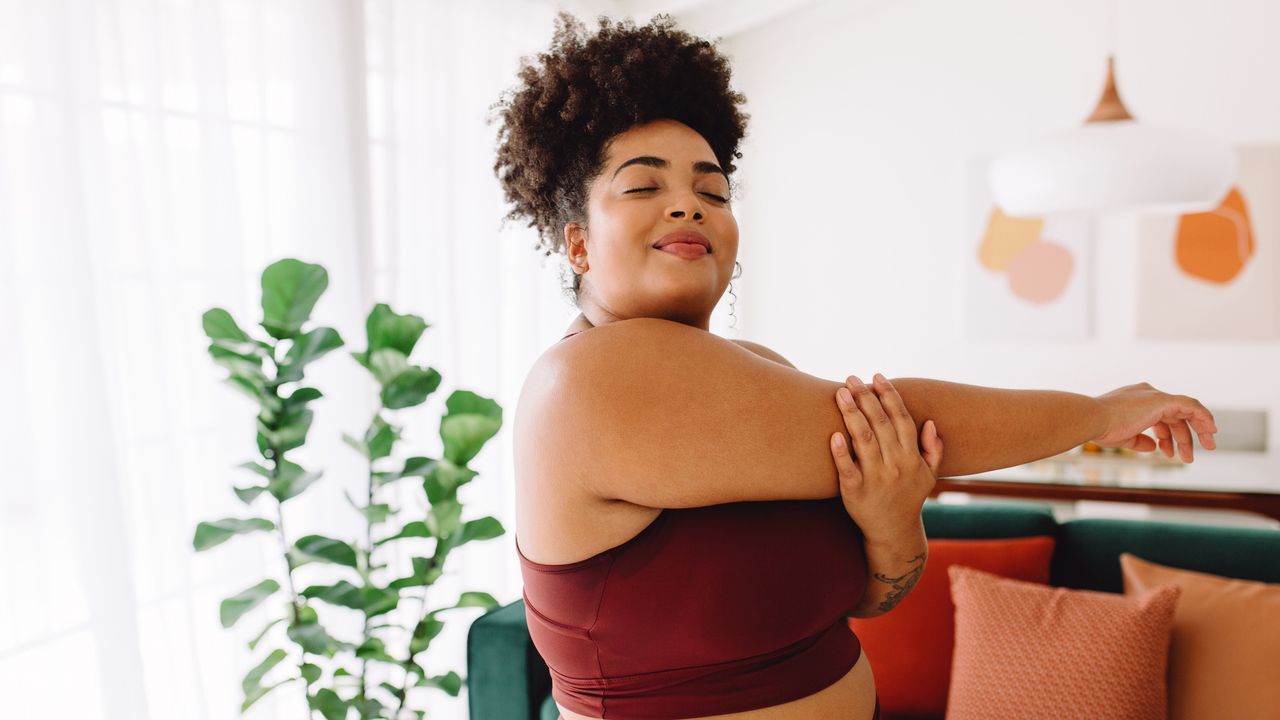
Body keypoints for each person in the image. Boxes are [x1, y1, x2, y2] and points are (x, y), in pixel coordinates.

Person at [491, 13, 1218, 720]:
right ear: (579, 244)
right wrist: (1101, 413)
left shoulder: (757, 368)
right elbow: (903, 418)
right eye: (645, 186)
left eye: (712, 190)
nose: (689, 205)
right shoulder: (584, 382)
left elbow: (874, 596)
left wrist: (894, 519)